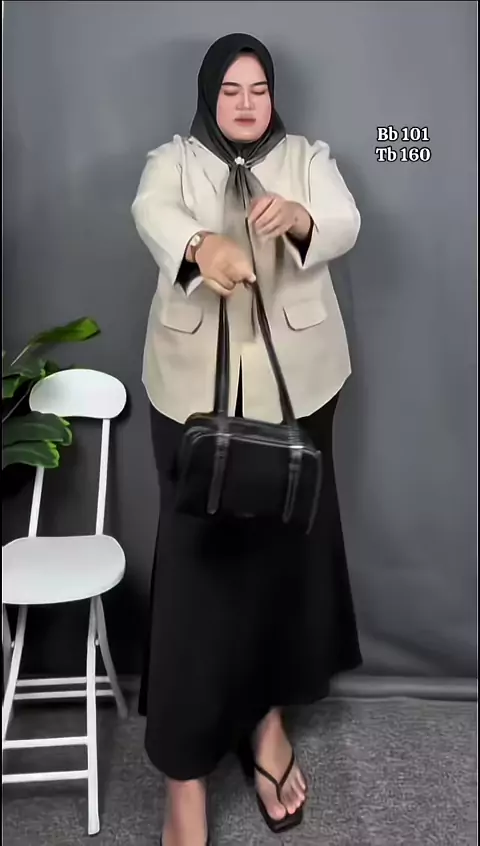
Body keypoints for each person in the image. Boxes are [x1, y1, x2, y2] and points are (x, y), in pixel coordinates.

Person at [131, 32, 363, 846]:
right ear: (209, 94)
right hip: (189, 400)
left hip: (301, 393)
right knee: (195, 577)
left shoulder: (306, 157)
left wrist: (300, 217)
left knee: (281, 565)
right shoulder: (172, 162)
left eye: (257, 89)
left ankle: (267, 725)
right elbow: (151, 212)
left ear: (273, 95)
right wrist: (201, 245)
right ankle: (184, 775)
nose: (245, 103)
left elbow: (345, 220)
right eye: (230, 90)